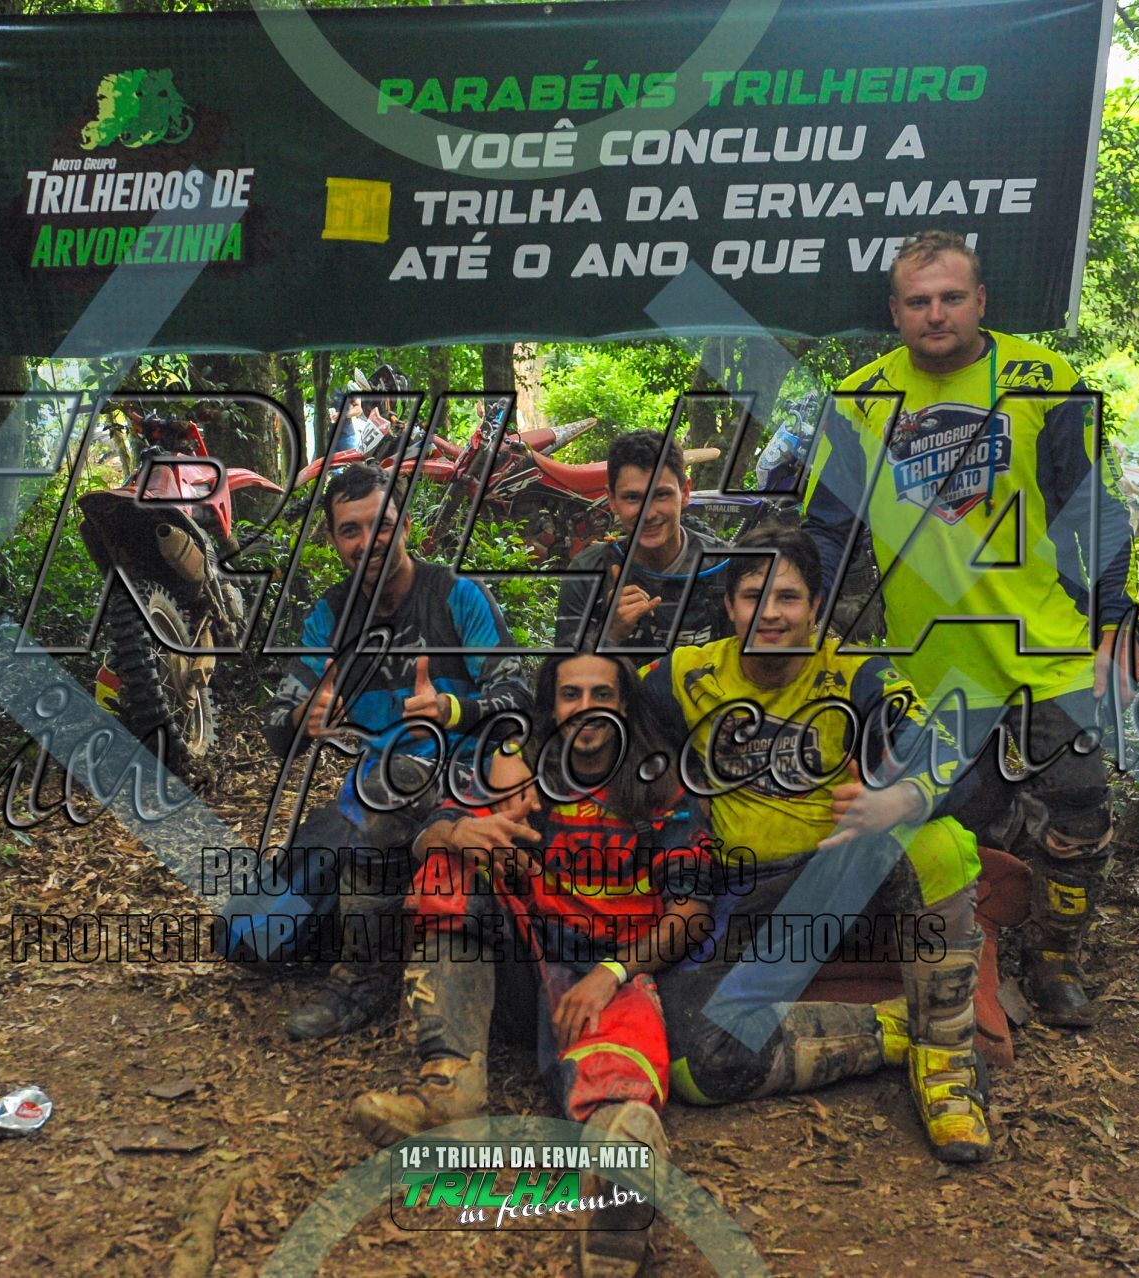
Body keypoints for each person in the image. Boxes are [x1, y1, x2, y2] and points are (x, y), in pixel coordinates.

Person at [802, 229, 1139, 1029]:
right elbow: (825, 532)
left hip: (1047, 643)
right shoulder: (859, 400)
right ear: (894, 313)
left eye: (952, 297)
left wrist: (1116, 624)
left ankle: (1056, 958)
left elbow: (1097, 512)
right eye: (918, 301)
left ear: (981, 300)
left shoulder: (1043, 380)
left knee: (1080, 807)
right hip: (931, 663)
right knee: (954, 817)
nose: (936, 314)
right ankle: (970, 952)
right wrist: (806, 624)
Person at [641, 522, 994, 1163]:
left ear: (815, 607)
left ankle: (947, 1066)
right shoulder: (684, 676)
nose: (771, 614)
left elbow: (956, 757)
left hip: (841, 876)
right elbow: (598, 729)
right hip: (748, 895)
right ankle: (897, 1031)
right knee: (697, 1065)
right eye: (754, 596)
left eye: (788, 597)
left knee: (937, 841)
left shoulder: (856, 673)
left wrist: (898, 800)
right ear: (730, 606)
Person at [351, 652, 712, 1276]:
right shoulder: (526, 774)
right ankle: (450, 1090)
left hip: (614, 973)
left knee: (616, 1086)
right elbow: (435, 825)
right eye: (571, 695)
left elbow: (691, 914)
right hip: (530, 960)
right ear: (553, 707)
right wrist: (457, 833)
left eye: (602, 694)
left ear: (625, 705)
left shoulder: (663, 788)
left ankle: (621, 1174)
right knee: (450, 871)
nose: (586, 708)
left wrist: (612, 974)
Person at [260, 464, 531, 1040]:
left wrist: (453, 711)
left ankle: (364, 980)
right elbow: (278, 724)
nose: (368, 541)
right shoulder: (331, 616)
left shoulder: (456, 594)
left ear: (405, 524)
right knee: (250, 937)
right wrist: (304, 719)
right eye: (350, 530)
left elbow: (518, 695)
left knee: (385, 783)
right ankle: (368, 920)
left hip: (463, 780)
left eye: (380, 525)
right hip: (369, 798)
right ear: (333, 540)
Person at [554, 430, 731, 652]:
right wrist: (610, 634)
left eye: (661, 495)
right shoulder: (588, 571)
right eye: (632, 498)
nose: (648, 514)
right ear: (612, 500)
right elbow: (564, 671)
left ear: (685, 492)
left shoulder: (724, 566)